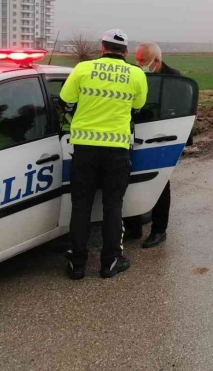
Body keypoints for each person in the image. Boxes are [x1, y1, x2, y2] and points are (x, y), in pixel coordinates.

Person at [59, 29, 148, 280]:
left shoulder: (83, 69)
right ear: (126, 52)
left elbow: (66, 100)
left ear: (102, 47)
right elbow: (138, 107)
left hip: (84, 150)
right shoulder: (136, 74)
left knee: (81, 206)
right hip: (116, 151)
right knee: (113, 207)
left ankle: (77, 264)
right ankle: (110, 262)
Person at [123, 42, 182, 248]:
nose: (138, 64)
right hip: (133, 137)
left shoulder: (174, 80)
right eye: (136, 59)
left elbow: (179, 112)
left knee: (159, 183)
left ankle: (159, 230)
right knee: (131, 181)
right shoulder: (132, 76)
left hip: (161, 138)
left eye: (142, 61)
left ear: (156, 61)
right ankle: (133, 226)